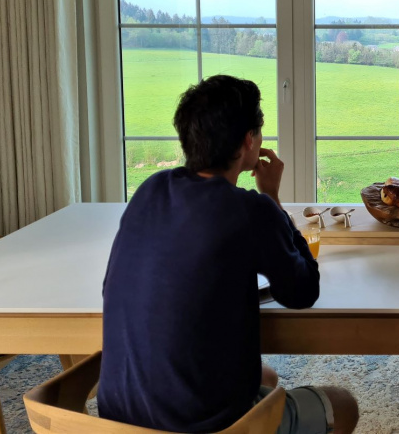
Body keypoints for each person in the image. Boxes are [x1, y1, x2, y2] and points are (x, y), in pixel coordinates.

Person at [99, 75, 359, 434]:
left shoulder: (151, 189)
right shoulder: (250, 209)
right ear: (248, 141)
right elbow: (302, 291)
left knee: (265, 375)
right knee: (344, 405)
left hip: (118, 419)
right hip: (203, 426)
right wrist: (271, 198)